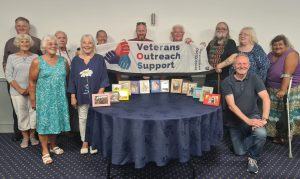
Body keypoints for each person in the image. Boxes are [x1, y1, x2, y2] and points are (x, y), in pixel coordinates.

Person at [222, 53, 270, 174]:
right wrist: (247, 121)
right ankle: (244, 139)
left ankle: (253, 158)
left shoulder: (254, 77)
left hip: (252, 116)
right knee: (239, 152)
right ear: (233, 66)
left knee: (261, 133)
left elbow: (265, 98)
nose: (242, 66)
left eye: (244, 64)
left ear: (249, 66)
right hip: (234, 121)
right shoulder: (227, 81)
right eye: (239, 63)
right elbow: (231, 106)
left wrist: (264, 119)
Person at [29, 35, 70, 165]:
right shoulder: (37, 61)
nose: (53, 46)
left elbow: (66, 76)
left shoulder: (63, 61)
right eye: (50, 44)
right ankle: (45, 150)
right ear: (44, 47)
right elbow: (31, 81)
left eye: (55, 44)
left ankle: (53, 145)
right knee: (44, 125)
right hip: (44, 100)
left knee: (55, 123)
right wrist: (33, 100)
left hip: (59, 99)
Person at [68, 34, 109, 154]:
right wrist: (73, 96)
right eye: (84, 43)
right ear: (81, 44)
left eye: (90, 42)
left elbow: (104, 78)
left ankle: (94, 142)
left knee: (96, 119)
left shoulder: (100, 59)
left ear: (93, 44)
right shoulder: (76, 60)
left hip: (97, 95)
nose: (87, 45)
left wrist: (99, 96)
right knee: (83, 118)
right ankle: (85, 142)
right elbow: (72, 79)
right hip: (81, 95)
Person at [3, 17, 42, 142]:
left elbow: (40, 71)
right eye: (22, 42)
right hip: (17, 90)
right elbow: (8, 74)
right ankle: (25, 138)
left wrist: (31, 88)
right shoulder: (12, 57)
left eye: (26, 42)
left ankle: (32, 136)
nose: (24, 44)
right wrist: (20, 88)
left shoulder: (36, 56)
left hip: (33, 89)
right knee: (21, 115)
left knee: (33, 115)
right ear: (18, 43)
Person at [265, 35, 300, 143]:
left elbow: (287, 75)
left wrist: (283, 89)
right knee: (273, 113)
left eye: (280, 44)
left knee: (285, 114)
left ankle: (286, 135)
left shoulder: (291, 54)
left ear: (286, 45)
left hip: (288, 88)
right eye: (275, 45)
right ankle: (274, 134)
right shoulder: (270, 55)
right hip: (271, 88)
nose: (277, 47)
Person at [205, 22, 238, 93]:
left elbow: (234, 57)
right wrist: (201, 47)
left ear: (227, 31)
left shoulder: (230, 42)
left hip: (223, 79)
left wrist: (220, 65)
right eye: (218, 28)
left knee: (222, 102)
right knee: (207, 102)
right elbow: (204, 57)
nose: (220, 30)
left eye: (223, 29)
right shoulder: (211, 43)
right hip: (209, 78)